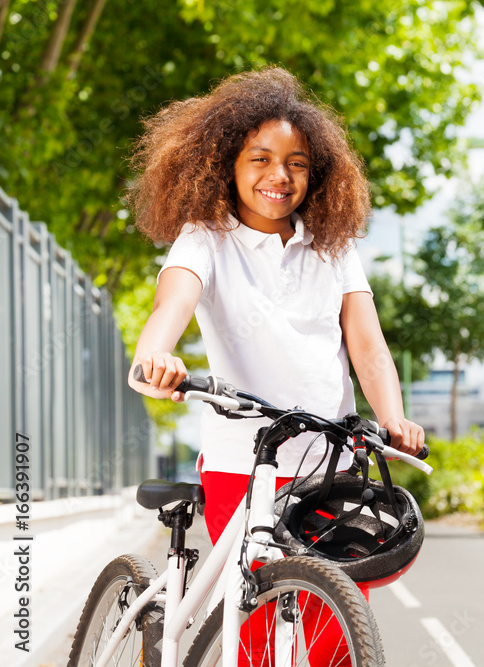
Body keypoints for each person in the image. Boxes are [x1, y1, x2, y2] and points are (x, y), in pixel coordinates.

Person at [126, 66, 424, 664]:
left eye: (297, 163)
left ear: (317, 175)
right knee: (258, 623)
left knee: (333, 625)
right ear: (226, 164)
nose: (278, 176)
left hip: (327, 464)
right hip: (244, 464)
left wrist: (392, 418)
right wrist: (156, 354)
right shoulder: (204, 238)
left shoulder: (334, 249)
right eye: (259, 158)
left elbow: (367, 345)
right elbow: (173, 303)